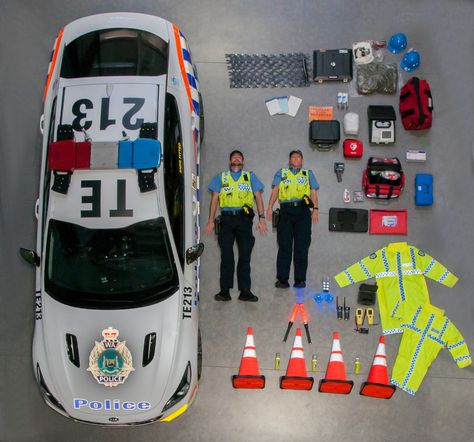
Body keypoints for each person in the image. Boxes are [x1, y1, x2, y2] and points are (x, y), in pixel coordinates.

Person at [206, 150, 267, 301]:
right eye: (234, 157)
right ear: (229, 161)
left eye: (239, 157)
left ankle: (245, 291)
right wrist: (210, 220)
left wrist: (262, 218)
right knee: (226, 255)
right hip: (226, 220)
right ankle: (224, 291)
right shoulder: (221, 177)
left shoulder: (250, 177)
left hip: (244, 220)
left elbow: (258, 197)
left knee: (245, 255)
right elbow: (214, 199)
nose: (236, 159)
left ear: (243, 162)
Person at [266, 150, 319, 288]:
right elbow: (275, 190)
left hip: (303, 211)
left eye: (298, 157)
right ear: (289, 160)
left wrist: (316, 210)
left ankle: (300, 279)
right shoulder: (282, 173)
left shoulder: (308, 174)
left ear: (302, 160)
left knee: (302, 246)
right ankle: (282, 279)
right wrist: (269, 207)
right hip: (285, 211)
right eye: (293, 157)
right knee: (284, 245)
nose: (295, 159)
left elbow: (313, 191)